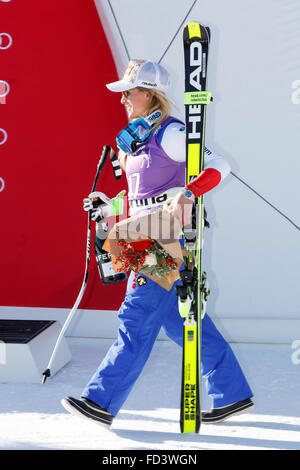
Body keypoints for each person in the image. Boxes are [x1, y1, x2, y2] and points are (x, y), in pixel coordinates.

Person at [61, 59, 253, 427]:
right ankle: (233, 393)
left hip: (160, 236)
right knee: (177, 322)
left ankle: (100, 401)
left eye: (128, 93)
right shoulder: (134, 137)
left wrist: (190, 192)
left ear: (149, 94)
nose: (123, 100)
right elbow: (138, 197)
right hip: (140, 232)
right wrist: (108, 204)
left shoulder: (170, 132)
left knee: (135, 317)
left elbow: (221, 165)